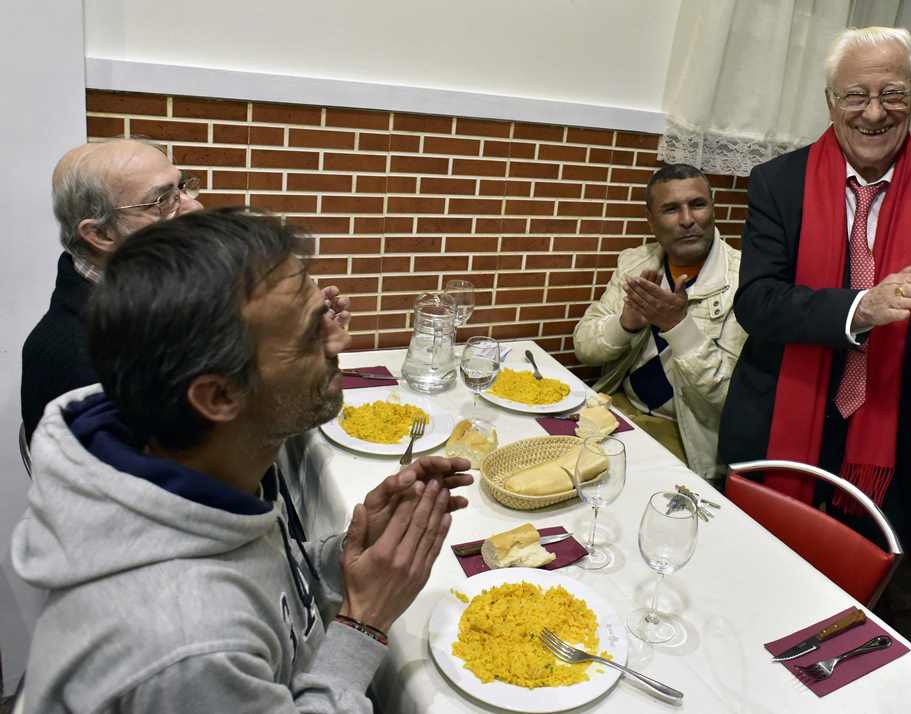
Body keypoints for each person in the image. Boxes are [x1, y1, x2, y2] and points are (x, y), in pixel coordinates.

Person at [12, 208, 473, 712]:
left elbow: (267, 590)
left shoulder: (195, 481)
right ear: (218, 396)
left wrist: (344, 560)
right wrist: (365, 623)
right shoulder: (187, 645)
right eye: (310, 331)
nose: (340, 339)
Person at [719, 27, 911, 543]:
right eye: (856, 95)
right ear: (831, 102)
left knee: (861, 576)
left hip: (898, 428)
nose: (874, 113)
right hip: (780, 409)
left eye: (892, 94)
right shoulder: (777, 182)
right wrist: (861, 308)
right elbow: (758, 303)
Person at [20, 139, 349, 443]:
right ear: (101, 234)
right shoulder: (76, 360)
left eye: (183, 187)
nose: (194, 206)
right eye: (162, 201)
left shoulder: (159, 300)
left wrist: (296, 330)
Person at [573, 164, 746, 482]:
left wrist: (679, 327)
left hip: (686, 435)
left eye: (697, 204)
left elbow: (730, 397)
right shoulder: (635, 262)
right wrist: (626, 323)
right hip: (620, 408)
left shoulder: (744, 280)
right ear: (650, 220)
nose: (687, 220)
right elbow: (584, 346)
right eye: (670, 209)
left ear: (712, 207)